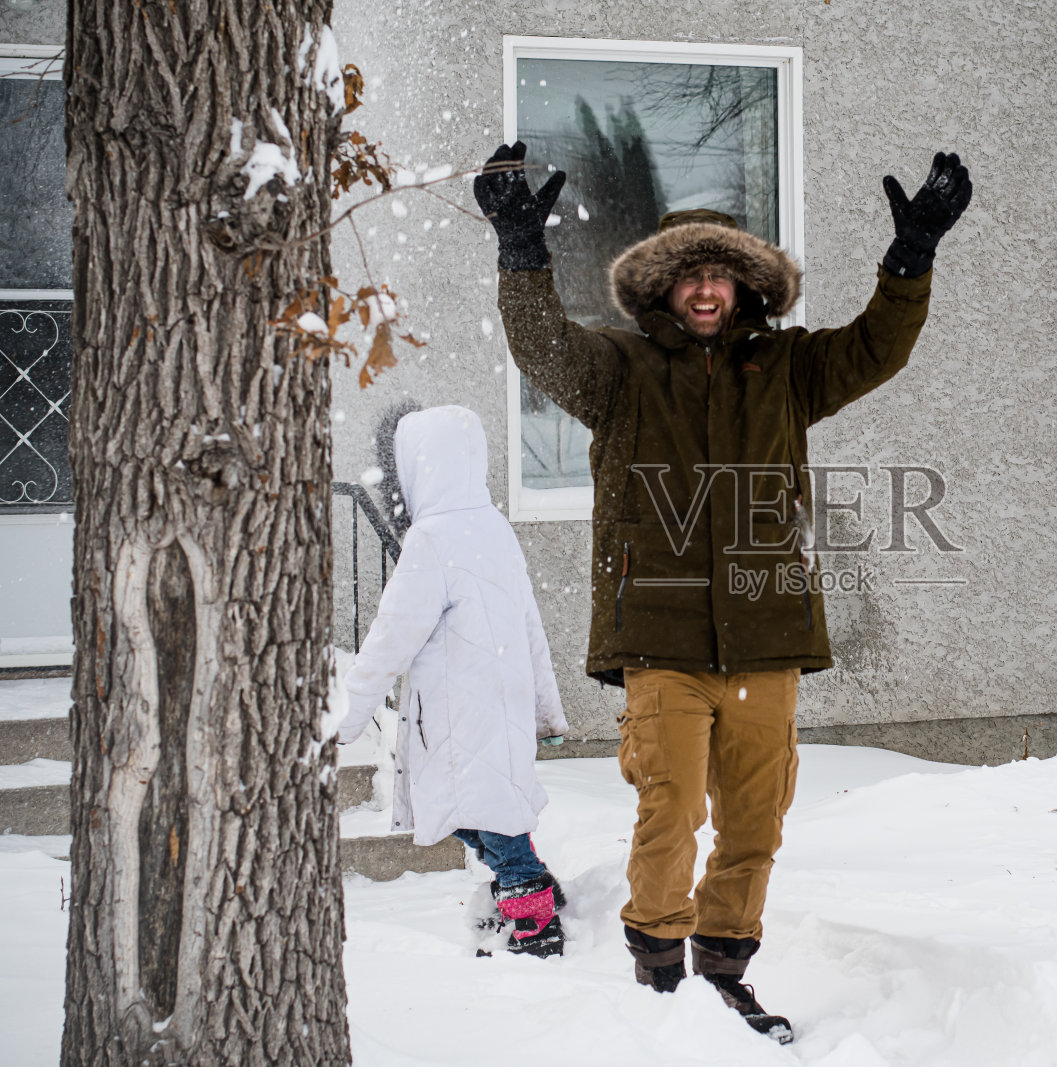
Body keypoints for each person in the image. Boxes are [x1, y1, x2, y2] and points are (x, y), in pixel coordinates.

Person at [475, 144, 971, 1040]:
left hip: (766, 636)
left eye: (722, 276)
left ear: (746, 289)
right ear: (662, 289)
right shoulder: (619, 371)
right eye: (689, 276)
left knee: (755, 817)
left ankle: (725, 974)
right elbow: (541, 346)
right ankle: (658, 979)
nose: (706, 291)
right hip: (659, 635)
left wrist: (911, 259)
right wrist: (521, 250)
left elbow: (879, 346)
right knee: (671, 808)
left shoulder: (790, 370)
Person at [336, 404, 570, 957]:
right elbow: (532, 625)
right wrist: (543, 707)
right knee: (486, 815)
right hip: (499, 709)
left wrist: (345, 717)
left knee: (486, 820)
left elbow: (388, 639)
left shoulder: (431, 542)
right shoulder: (494, 530)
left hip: (461, 717)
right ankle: (530, 887)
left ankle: (535, 921)